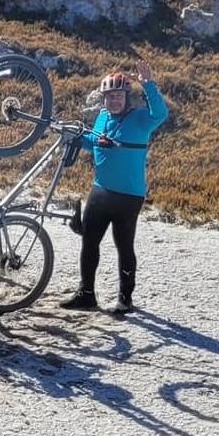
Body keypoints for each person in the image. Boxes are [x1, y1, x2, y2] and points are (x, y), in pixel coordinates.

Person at [61, 61, 168, 315]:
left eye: (119, 96)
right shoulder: (102, 117)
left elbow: (161, 114)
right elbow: (93, 142)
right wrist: (75, 136)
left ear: (126, 97)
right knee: (89, 242)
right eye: (110, 97)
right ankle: (86, 295)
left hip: (128, 195)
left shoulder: (141, 118)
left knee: (124, 246)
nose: (114, 101)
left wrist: (148, 85)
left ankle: (125, 299)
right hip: (101, 191)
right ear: (104, 99)